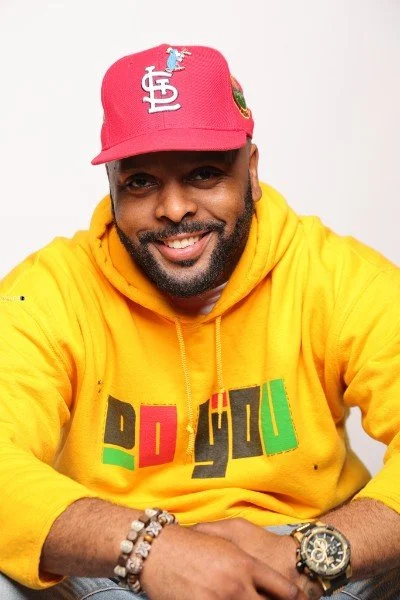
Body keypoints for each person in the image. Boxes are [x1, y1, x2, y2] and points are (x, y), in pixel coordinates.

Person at [0, 43, 399, 600]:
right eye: (141, 182)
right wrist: (150, 549)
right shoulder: (50, 293)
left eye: (205, 173)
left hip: (315, 552)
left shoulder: (338, 279)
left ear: (251, 171)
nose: (174, 208)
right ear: (111, 185)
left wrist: (307, 555)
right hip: (116, 558)